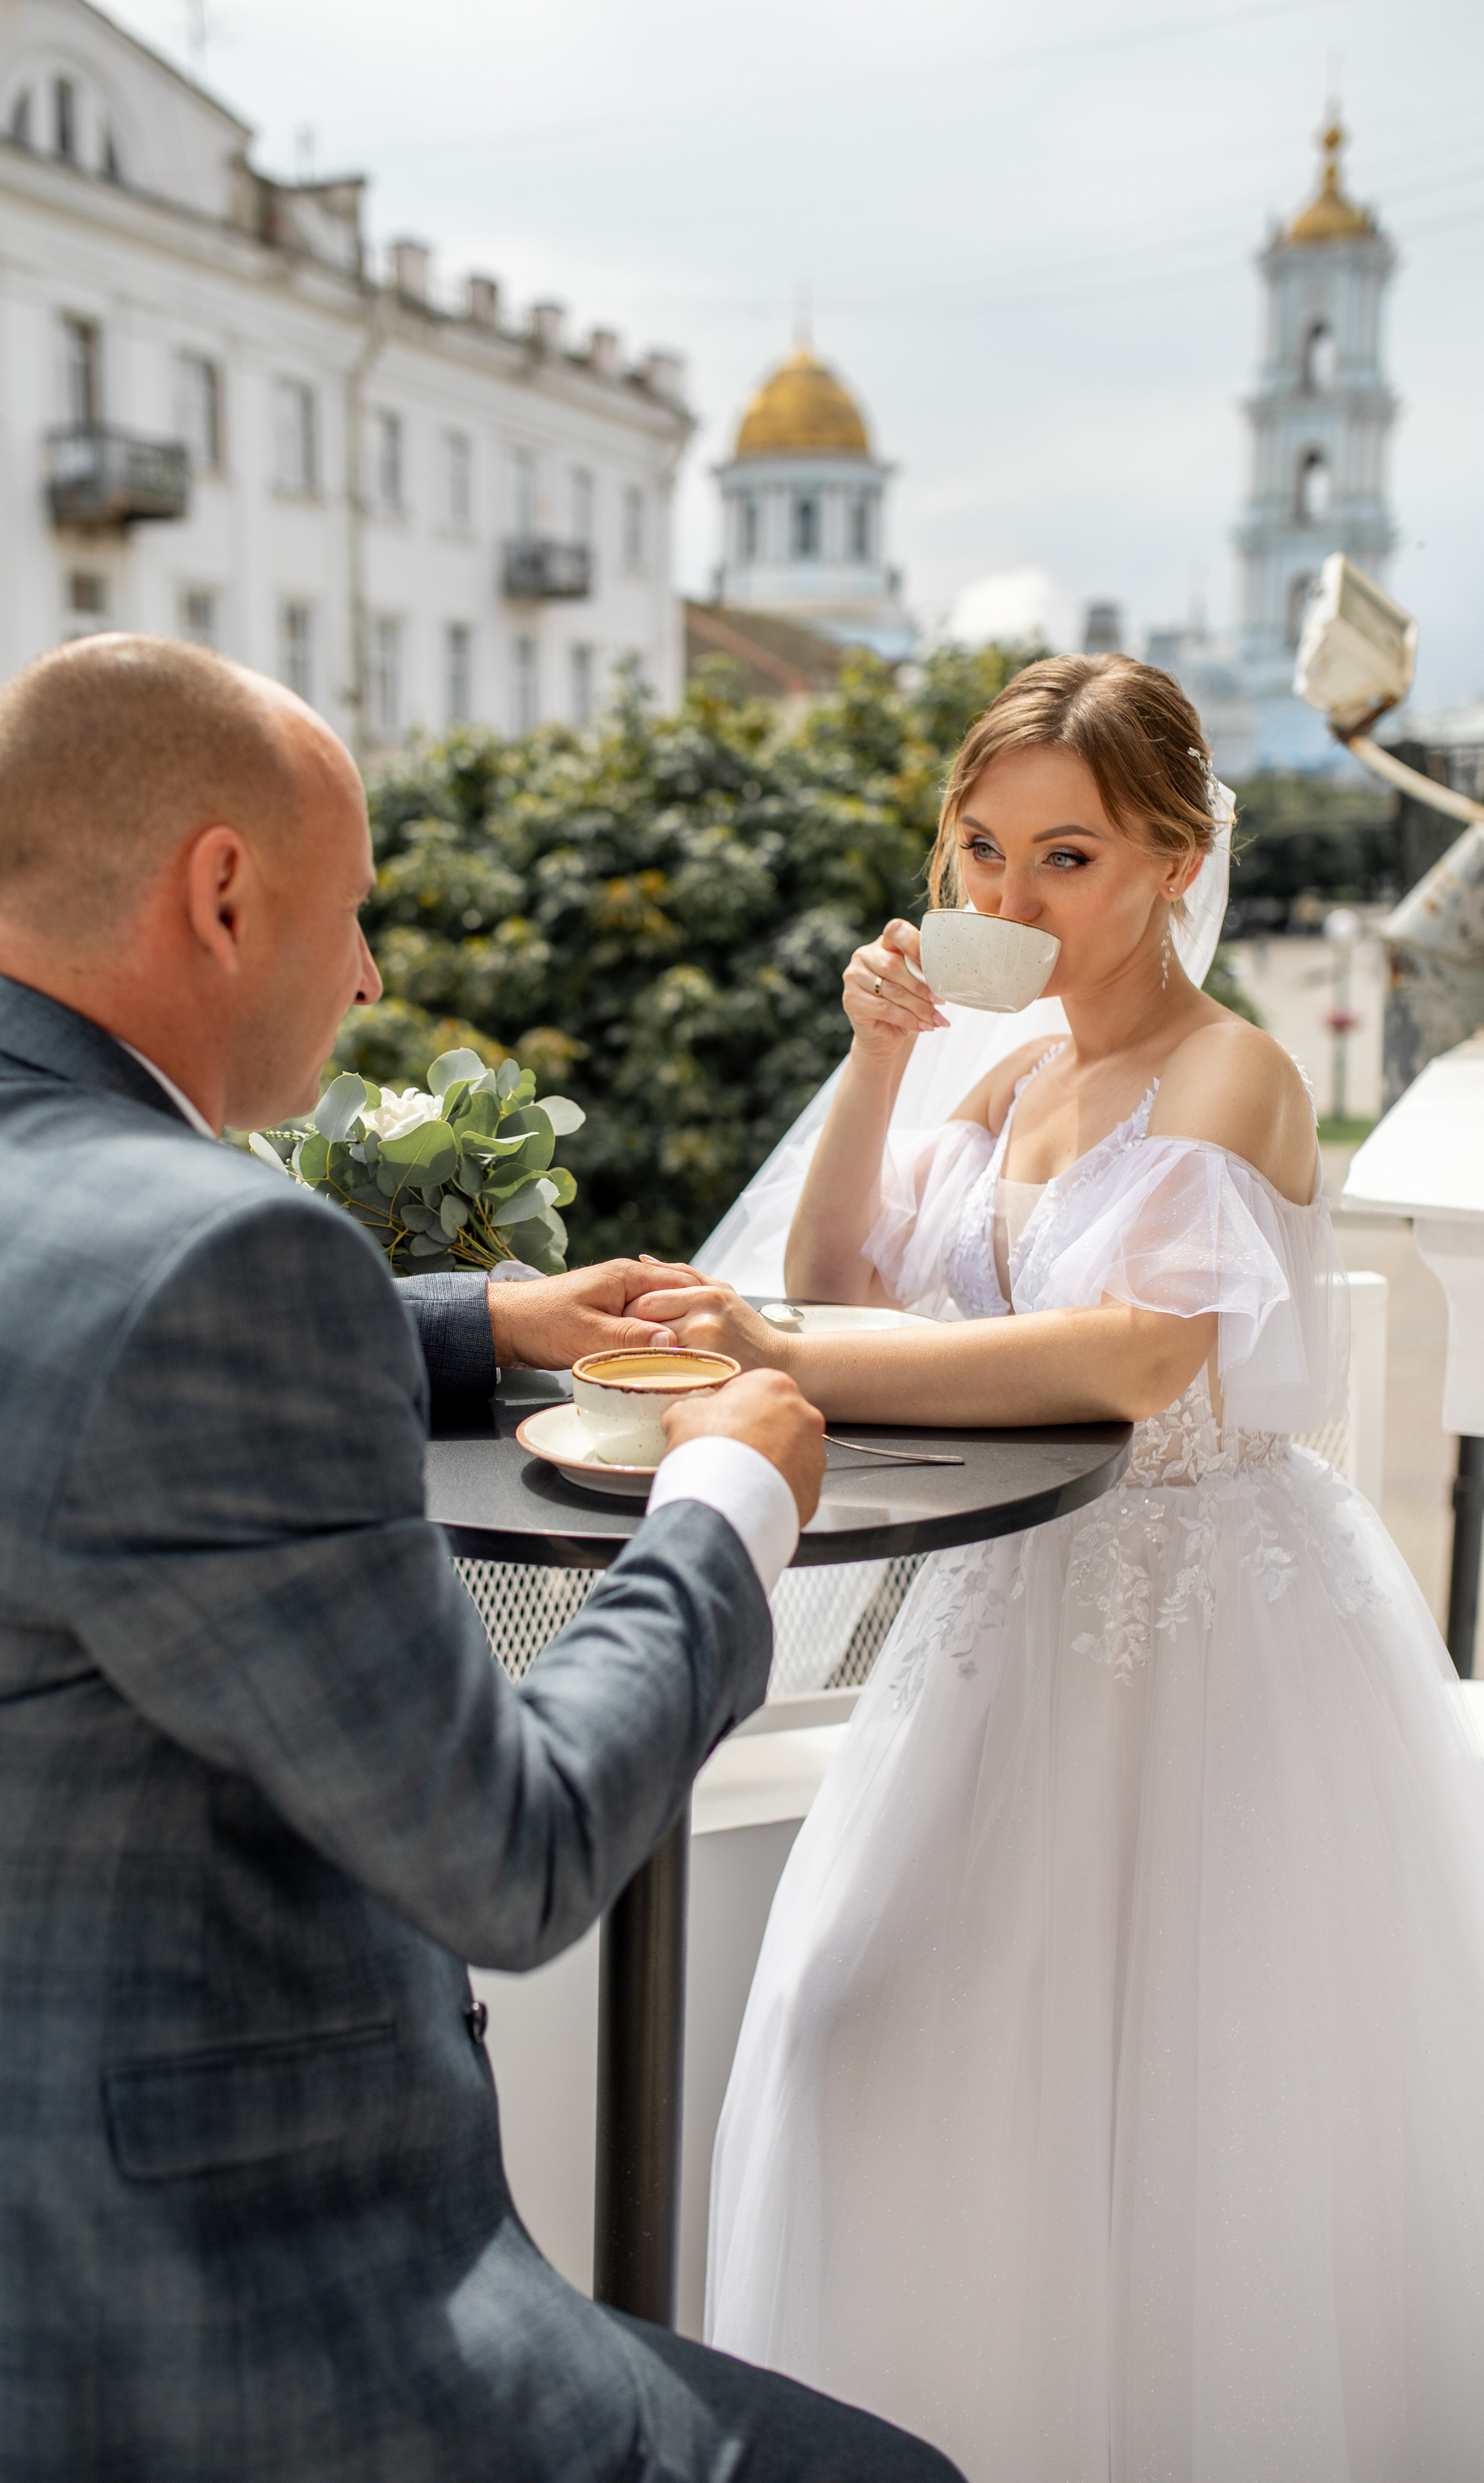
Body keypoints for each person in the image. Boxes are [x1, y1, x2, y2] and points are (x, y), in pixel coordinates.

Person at [0, 634, 969, 2483]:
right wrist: (728, 1504)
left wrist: (486, 1316)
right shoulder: (219, 1264)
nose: (363, 973)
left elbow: (72, 1329)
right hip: (218, 2325)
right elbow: (509, 1859)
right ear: (221, 892)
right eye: (350, 912)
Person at [628, 654, 1484, 2480]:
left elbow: (1129, 1357)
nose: (1008, 901)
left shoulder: (1235, 1069)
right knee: (897, 2051)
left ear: (1179, 860)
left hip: (1208, 1655)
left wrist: (780, 1360)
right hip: (997, 1621)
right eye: (981, 851)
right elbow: (850, 1270)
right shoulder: (1003, 1071)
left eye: (1069, 858)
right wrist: (879, 1054)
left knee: (1194, 2125)